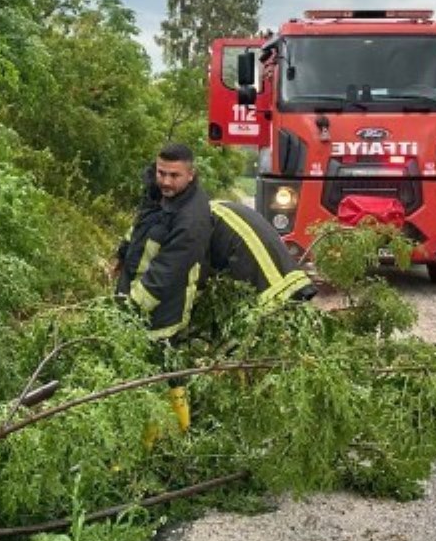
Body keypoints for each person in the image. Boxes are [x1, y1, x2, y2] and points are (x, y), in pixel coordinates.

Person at [116, 144, 212, 432]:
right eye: (161, 173)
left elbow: (165, 274)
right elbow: (140, 227)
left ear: (191, 175)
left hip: (163, 307)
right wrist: (122, 252)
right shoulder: (158, 192)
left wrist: (132, 309)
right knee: (158, 369)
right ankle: (173, 430)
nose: (166, 181)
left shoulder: (192, 219)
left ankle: (168, 434)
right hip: (133, 289)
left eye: (174, 175)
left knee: (156, 372)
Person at [207, 200, 315, 304]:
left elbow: (199, 269)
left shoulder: (205, 219)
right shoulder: (218, 208)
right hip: (292, 279)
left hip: (272, 289)